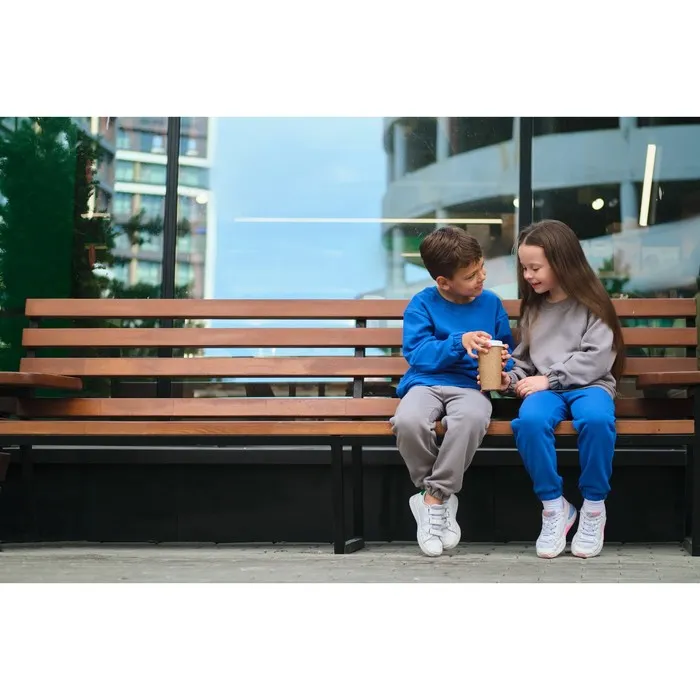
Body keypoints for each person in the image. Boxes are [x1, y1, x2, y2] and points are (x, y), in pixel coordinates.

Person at [495, 219, 625, 559]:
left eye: (535, 268)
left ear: (562, 261)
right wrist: (510, 379)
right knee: (529, 422)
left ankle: (594, 507)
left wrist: (549, 379)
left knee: (597, 420)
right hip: (547, 391)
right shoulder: (533, 307)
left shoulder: (594, 304)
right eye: (524, 268)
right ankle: (554, 506)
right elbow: (525, 360)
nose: (528, 275)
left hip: (591, 385)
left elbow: (597, 358)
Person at [391, 226, 514, 557]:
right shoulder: (422, 304)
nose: (481, 277)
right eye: (471, 275)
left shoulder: (491, 303)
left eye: (482, 268)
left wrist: (505, 363)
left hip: (470, 385)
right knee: (407, 422)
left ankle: (432, 499)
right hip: (425, 382)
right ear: (444, 282)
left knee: (471, 419)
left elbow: (508, 348)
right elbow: (417, 353)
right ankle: (439, 496)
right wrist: (459, 342)